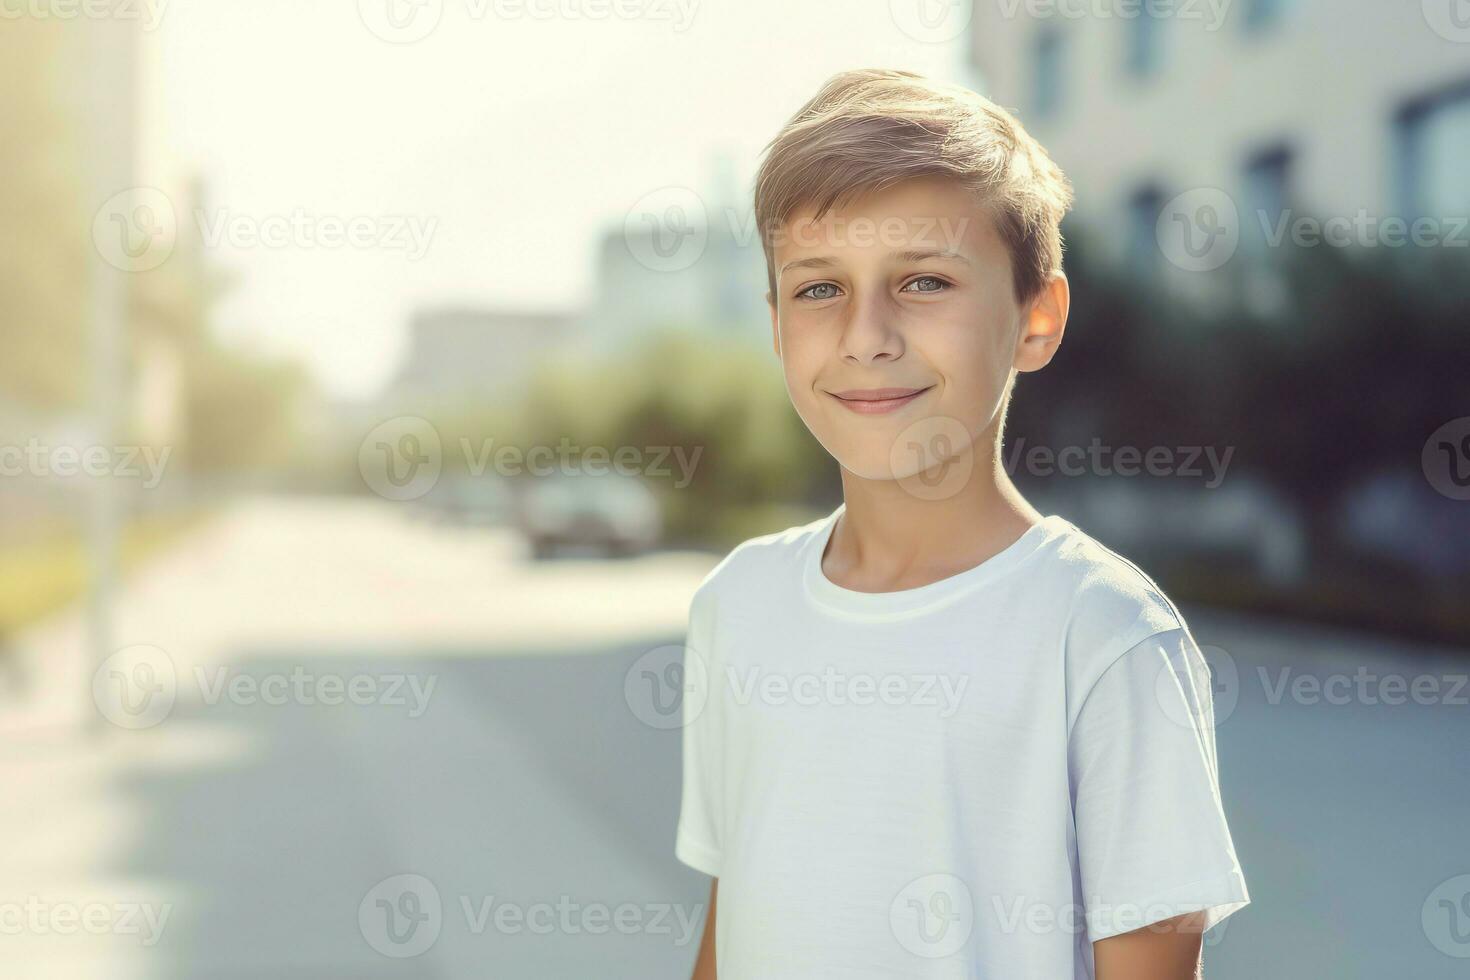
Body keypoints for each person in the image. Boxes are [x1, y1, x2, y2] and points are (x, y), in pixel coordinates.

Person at [675, 68, 1249, 979]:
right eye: (820, 289)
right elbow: (732, 922)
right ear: (778, 325)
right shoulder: (735, 603)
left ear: (1036, 318)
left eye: (925, 281)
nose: (867, 335)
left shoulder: (1103, 634)